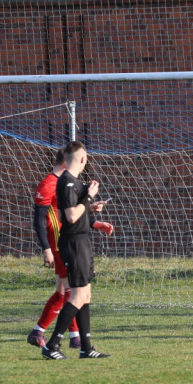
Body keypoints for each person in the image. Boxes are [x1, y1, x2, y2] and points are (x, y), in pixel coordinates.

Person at [27, 148, 114, 352]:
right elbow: (42, 220)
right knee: (70, 292)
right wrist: (46, 248)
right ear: (70, 161)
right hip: (60, 243)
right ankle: (51, 336)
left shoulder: (65, 183)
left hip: (67, 240)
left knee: (68, 291)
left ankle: (75, 338)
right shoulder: (52, 184)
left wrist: (93, 220)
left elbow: (68, 214)